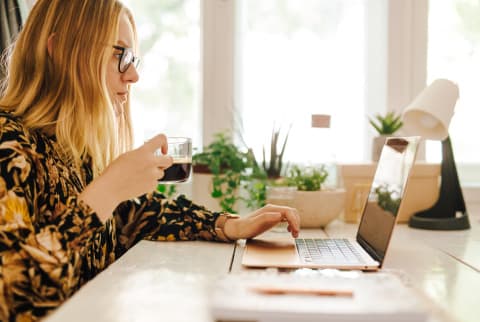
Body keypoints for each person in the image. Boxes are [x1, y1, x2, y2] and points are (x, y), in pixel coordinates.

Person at [0, 0, 300, 320]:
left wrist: (230, 225)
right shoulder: (8, 143)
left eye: (133, 59)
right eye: (120, 55)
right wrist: (109, 188)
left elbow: (141, 214)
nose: (133, 76)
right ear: (60, 50)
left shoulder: (71, 151)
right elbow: (12, 293)